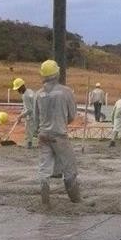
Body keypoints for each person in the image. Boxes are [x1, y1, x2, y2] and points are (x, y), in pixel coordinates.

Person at [32, 59, 80, 204]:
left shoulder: (38, 94)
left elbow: (35, 118)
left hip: (43, 136)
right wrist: (61, 123)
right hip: (59, 135)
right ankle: (76, 200)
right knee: (69, 167)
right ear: (57, 73)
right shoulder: (66, 92)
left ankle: (45, 200)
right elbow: (72, 116)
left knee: (44, 168)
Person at [12, 77, 36, 148]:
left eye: (18, 89)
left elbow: (29, 110)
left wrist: (20, 116)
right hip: (36, 114)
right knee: (35, 130)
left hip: (31, 116)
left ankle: (29, 144)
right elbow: (26, 107)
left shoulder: (25, 95)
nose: (18, 90)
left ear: (22, 86)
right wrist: (21, 115)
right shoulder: (30, 91)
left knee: (29, 131)